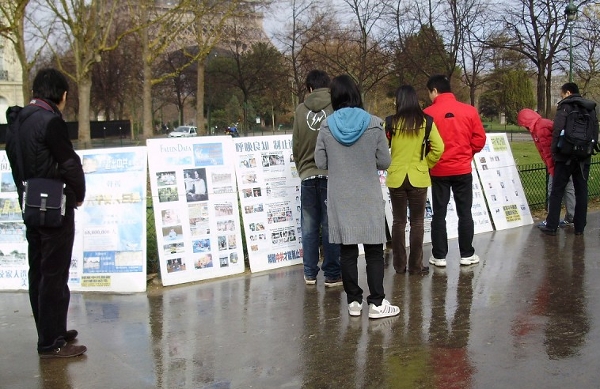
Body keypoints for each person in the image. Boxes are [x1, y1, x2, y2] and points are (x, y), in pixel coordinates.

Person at [5, 68, 87, 358]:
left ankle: (50, 331)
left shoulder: (17, 121)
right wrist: (78, 194)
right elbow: (69, 164)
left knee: (38, 270)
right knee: (54, 274)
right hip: (55, 207)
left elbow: (16, 164)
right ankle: (51, 342)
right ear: (61, 95)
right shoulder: (50, 122)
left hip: (31, 205)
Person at [315, 74, 399, 319]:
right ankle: (377, 303)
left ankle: (353, 302)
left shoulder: (327, 125)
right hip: (368, 195)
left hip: (341, 197)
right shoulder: (374, 123)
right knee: (374, 251)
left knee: (347, 251)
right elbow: (384, 161)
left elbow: (320, 161)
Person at [424, 75, 486, 267]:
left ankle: (439, 255)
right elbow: (479, 139)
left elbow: (424, 142)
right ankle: (467, 253)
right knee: (465, 212)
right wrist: (468, 153)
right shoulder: (469, 111)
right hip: (462, 169)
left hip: (439, 170)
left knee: (439, 213)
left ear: (434, 90)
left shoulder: (427, 113)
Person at [386, 85, 444, 275]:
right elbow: (439, 147)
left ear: (399, 101)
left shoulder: (390, 123)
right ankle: (416, 265)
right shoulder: (426, 121)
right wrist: (426, 164)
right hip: (418, 176)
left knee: (398, 222)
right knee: (417, 222)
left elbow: (383, 148)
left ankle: (399, 265)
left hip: (396, 177)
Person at [292, 70, 342, 287]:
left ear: (309, 88)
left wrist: (302, 168)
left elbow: (296, 144)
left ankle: (310, 273)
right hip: (332, 174)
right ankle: (332, 274)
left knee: (309, 226)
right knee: (330, 225)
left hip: (308, 176)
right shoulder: (336, 107)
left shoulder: (300, 111)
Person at [540, 82, 599, 236]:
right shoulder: (590, 108)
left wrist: (554, 151)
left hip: (564, 155)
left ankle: (552, 225)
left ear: (567, 92)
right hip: (583, 156)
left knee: (557, 191)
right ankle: (580, 227)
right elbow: (594, 130)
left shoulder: (565, 107)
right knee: (581, 191)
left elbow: (557, 129)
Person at [516, 109, 575, 226]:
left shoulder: (540, 129)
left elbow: (548, 152)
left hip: (556, 164)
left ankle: (552, 220)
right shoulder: (542, 124)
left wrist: (551, 169)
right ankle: (571, 217)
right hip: (566, 160)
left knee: (553, 192)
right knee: (569, 189)